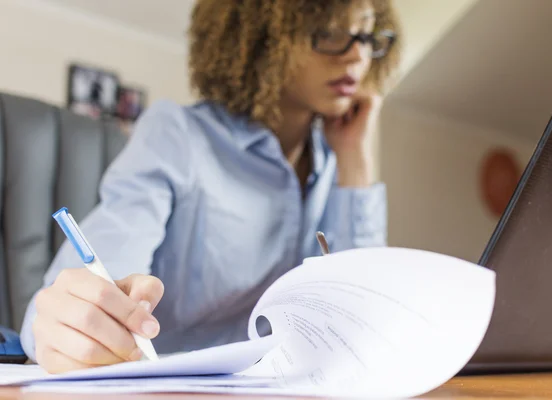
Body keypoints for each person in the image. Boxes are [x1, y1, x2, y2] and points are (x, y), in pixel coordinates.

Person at [21, 0, 402, 373]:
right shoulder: (179, 135)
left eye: (366, 35)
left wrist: (356, 159)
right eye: (331, 33)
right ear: (264, 37)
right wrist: (65, 324)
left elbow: (363, 309)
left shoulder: (335, 157)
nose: (356, 57)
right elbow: (92, 284)